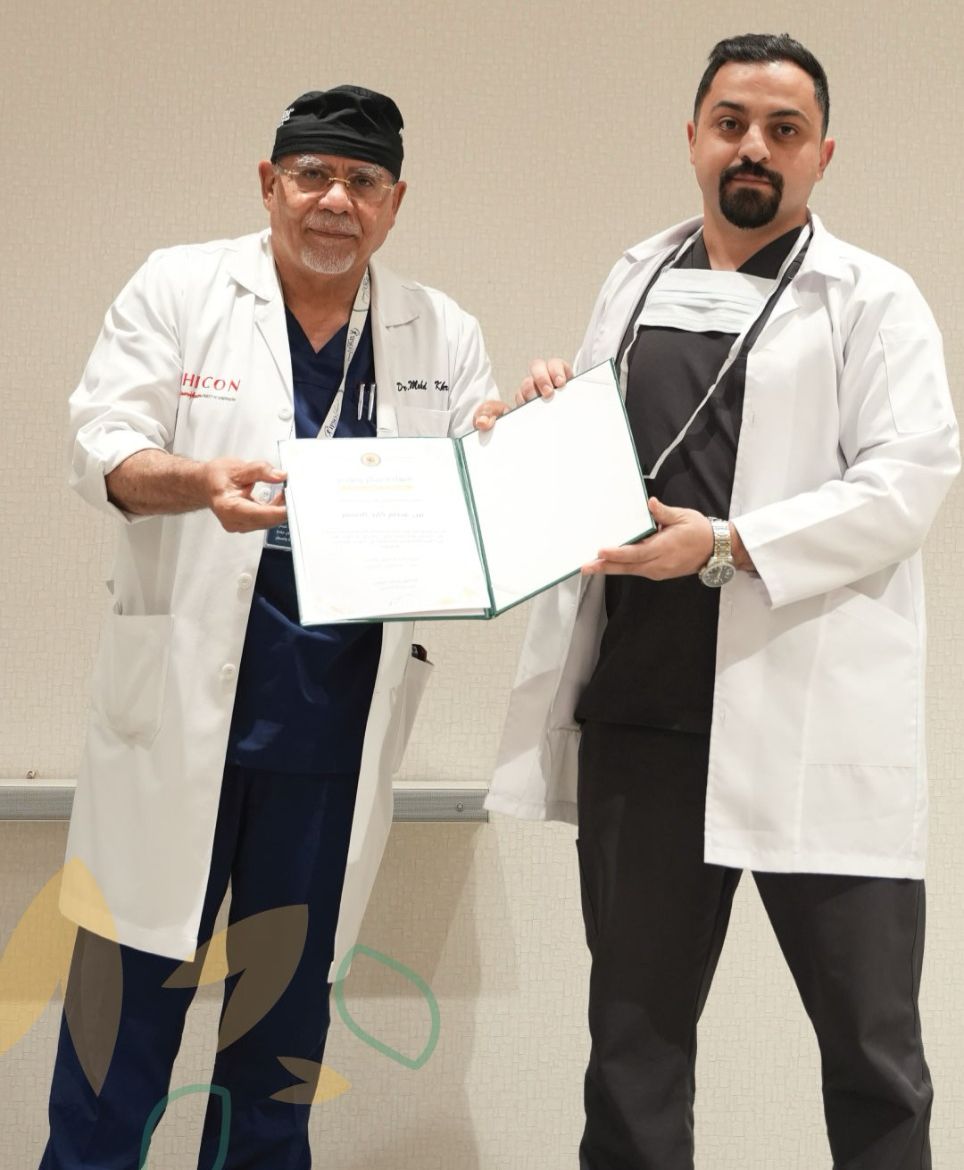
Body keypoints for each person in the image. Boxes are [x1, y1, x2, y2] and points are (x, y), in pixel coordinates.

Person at [486, 34, 959, 1170]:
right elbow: (605, 476)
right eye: (732, 123)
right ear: (693, 138)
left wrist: (730, 546)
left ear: (822, 155)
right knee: (631, 1053)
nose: (755, 147)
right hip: (643, 722)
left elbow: (907, 484)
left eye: (784, 130)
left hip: (809, 725)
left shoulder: (873, 298)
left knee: (873, 1054)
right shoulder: (634, 279)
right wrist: (542, 420)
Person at [43, 85, 501, 1170]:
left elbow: (482, 498)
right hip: (174, 733)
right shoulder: (182, 286)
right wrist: (198, 481)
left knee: (276, 1068)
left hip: (327, 750)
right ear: (269, 184)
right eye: (313, 175)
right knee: (112, 1057)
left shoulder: (441, 331)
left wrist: (524, 432)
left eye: (363, 181)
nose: (337, 200)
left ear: (394, 203)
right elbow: (100, 445)